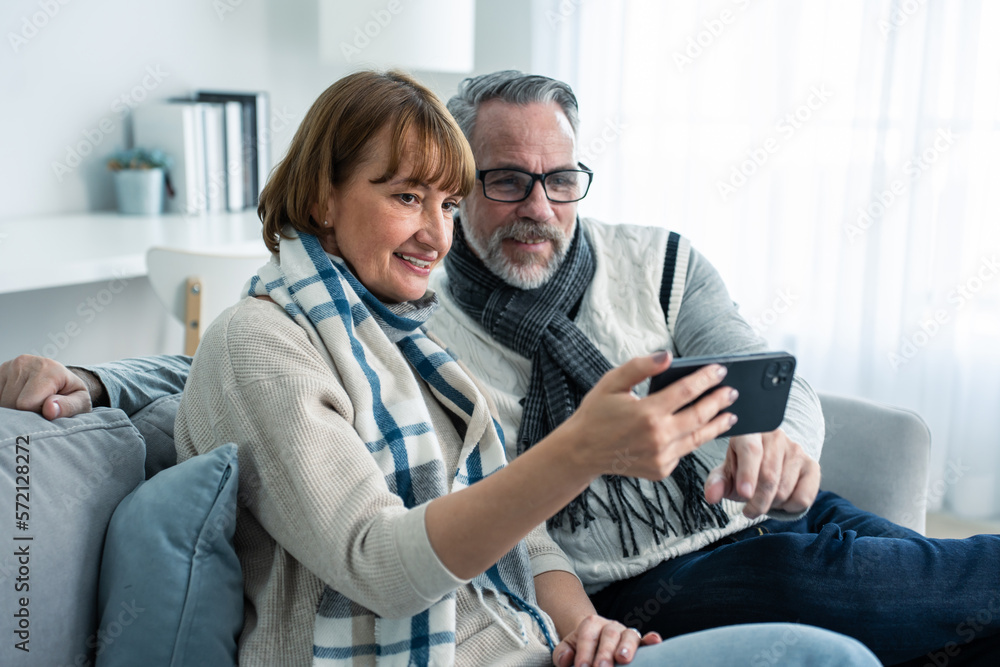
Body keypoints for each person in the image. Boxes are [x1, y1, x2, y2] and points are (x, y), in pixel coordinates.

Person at [0, 69, 952, 666]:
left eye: (444, 202)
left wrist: (582, 627)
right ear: (324, 197)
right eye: (411, 194)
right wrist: (581, 450)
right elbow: (372, 549)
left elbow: (520, 529)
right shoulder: (304, 331)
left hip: (559, 626)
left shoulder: (403, 330)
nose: (438, 231)